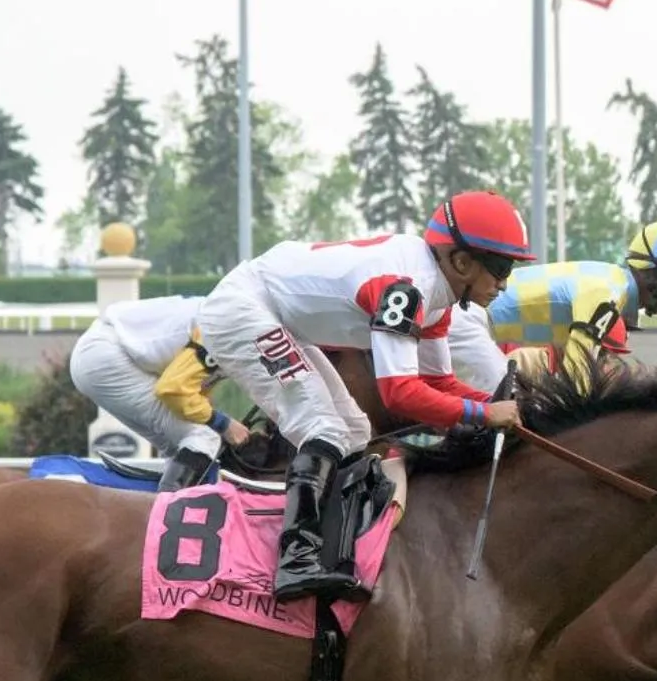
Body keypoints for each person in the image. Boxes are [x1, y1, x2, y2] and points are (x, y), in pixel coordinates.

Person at [200, 191, 533, 599]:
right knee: (323, 426)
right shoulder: (407, 290)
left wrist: (508, 405)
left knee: (354, 429)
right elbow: (401, 394)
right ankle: (295, 559)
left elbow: (440, 383)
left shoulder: (437, 298)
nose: (504, 283)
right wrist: (484, 414)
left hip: (276, 315)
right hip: (243, 308)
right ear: (461, 262)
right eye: (500, 268)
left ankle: (335, 545)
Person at [447, 221, 657, 391]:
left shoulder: (612, 284)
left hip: (471, 322)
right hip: (469, 321)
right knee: (505, 408)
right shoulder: (607, 293)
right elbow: (578, 373)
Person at [68, 294, 252, 492]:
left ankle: (166, 506)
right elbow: (171, 389)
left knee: (181, 443)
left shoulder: (234, 319)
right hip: (107, 357)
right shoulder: (228, 327)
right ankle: (167, 517)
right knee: (204, 435)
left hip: (101, 353)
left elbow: (193, 393)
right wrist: (223, 424)